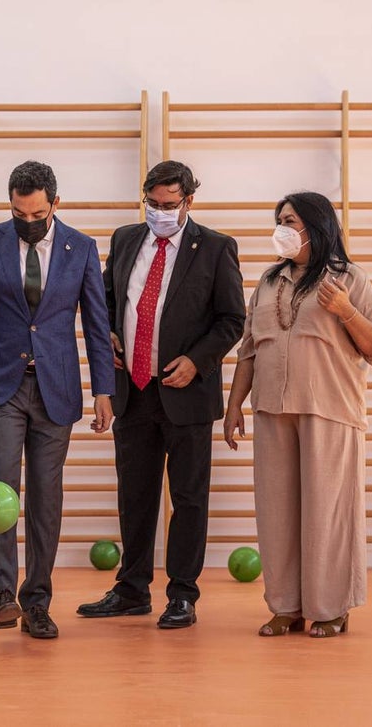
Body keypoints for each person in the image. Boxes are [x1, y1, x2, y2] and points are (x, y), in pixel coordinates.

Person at [0, 160, 115, 639]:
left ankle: (36, 601)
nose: (28, 221)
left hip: (56, 388)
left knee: (46, 497)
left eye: (36, 213)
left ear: (55, 205)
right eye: (19, 213)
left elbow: (96, 325)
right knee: (0, 489)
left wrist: (104, 389)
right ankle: (2, 595)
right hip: (1, 385)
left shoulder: (81, 247)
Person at [77, 160, 245, 629]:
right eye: (152, 203)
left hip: (186, 391)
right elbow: (107, 301)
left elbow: (233, 319)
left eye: (169, 205)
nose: (159, 212)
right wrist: (107, 334)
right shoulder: (126, 239)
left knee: (189, 497)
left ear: (189, 201)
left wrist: (198, 361)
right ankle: (131, 589)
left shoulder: (215, 248)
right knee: (135, 495)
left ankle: (182, 595)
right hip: (134, 388)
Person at [223, 191, 372, 638]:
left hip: (330, 410)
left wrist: (346, 311)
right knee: (276, 512)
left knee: (327, 513)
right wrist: (234, 404)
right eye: (278, 219)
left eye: (291, 220)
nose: (281, 227)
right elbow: (248, 348)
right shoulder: (268, 281)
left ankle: (332, 606)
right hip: (272, 410)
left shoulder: (350, 279)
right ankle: (286, 606)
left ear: (316, 226)